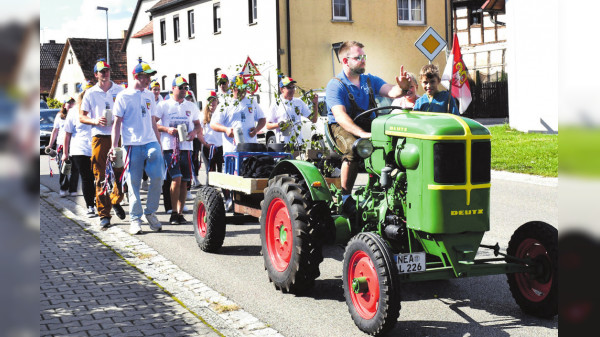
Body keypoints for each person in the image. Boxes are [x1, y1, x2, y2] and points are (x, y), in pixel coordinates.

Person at [325, 40, 411, 207]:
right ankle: (345, 197)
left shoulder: (369, 80)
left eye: (364, 56)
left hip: (369, 123)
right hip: (341, 127)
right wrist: (362, 134)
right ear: (345, 61)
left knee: (396, 144)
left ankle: (389, 189)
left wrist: (403, 88)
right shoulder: (336, 85)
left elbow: (392, 91)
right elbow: (341, 116)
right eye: (359, 57)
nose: (363, 60)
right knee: (354, 148)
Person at [110, 59, 164, 235]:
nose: (149, 80)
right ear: (136, 76)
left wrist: (159, 143)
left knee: (157, 177)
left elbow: (152, 121)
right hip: (132, 143)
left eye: (149, 77)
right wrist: (113, 147)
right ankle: (135, 219)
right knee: (133, 183)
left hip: (150, 141)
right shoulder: (123, 96)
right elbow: (117, 123)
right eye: (146, 77)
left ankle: (150, 212)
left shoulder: (149, 95)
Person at [80, 59, 127, 229]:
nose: (105, 73)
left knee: (120, 174)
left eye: (107, 70)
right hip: (99, 137)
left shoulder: (120, 91)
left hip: (118, 136)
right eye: (101, 71)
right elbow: (82, 116)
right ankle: (104, 214)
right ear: (96, 74)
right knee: (100, 176)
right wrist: (94, 121)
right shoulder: (90, 93)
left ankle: (115, 200)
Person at [211, 75, 266, 211]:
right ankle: (230, 200)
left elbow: (262, 119)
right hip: (232, 148)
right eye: (239, 89)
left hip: (249, 146)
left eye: (244, 89)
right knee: (232, 176)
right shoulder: (225, 103)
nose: (242, 92)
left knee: (248, 175)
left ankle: (246, 203)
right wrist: (225, 129)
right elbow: (213, 124)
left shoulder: (251, 102)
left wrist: (256, 129)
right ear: (233, 88)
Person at [155, 75, 201, 225]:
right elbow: (153, 124)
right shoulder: (164, 105)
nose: (183, 90)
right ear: (173, 88)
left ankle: (180, 212)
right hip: (170, 147)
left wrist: (194, 133)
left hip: (186, 147)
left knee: (185, 182)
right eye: (180, 87)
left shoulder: (191, 106)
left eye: (186, 88)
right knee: (176, 179)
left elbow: (198, 125)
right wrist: (167, 129)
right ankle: (173, 212)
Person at [62, 90, 96, 217]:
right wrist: (65, 153)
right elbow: (67, 133)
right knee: (87, 178)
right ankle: (90, 206)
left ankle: (101, 203)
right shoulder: (73, 111)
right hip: (80, 149)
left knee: (98, 178)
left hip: (96, 148)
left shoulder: (97, 108)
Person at [265, 76, 318, 150]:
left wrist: (315, 104)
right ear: (282, 89)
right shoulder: (277, 103)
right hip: (283, 143)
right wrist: (279, 124)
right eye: (289, 87)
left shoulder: (298, 102)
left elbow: (313, 120)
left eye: (293, 87)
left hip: (298, 142)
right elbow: (268, 125)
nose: (292, 90)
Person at [47, 97, 79, 197]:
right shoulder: (60, 116)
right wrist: (50, 144)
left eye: (72, 103)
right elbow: (55, 131)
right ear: (64, 105)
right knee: (64, 167)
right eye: (68, 103)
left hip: (74, 144)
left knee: (75, 168)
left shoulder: (77, 115)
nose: (70, 105)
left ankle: (73, 189)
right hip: (61, 144)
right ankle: (64, 187)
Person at [199, 91, 223, 176]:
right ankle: (209, 188)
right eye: (210, 100)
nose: (212, 103)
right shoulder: (202, 115)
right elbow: (199, 132)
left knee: (221, 173)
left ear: (217, 101)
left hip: (219, 146)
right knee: (210, 173)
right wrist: (205, 144)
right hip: (208, 147)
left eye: (213, 100)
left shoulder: (221, 113)